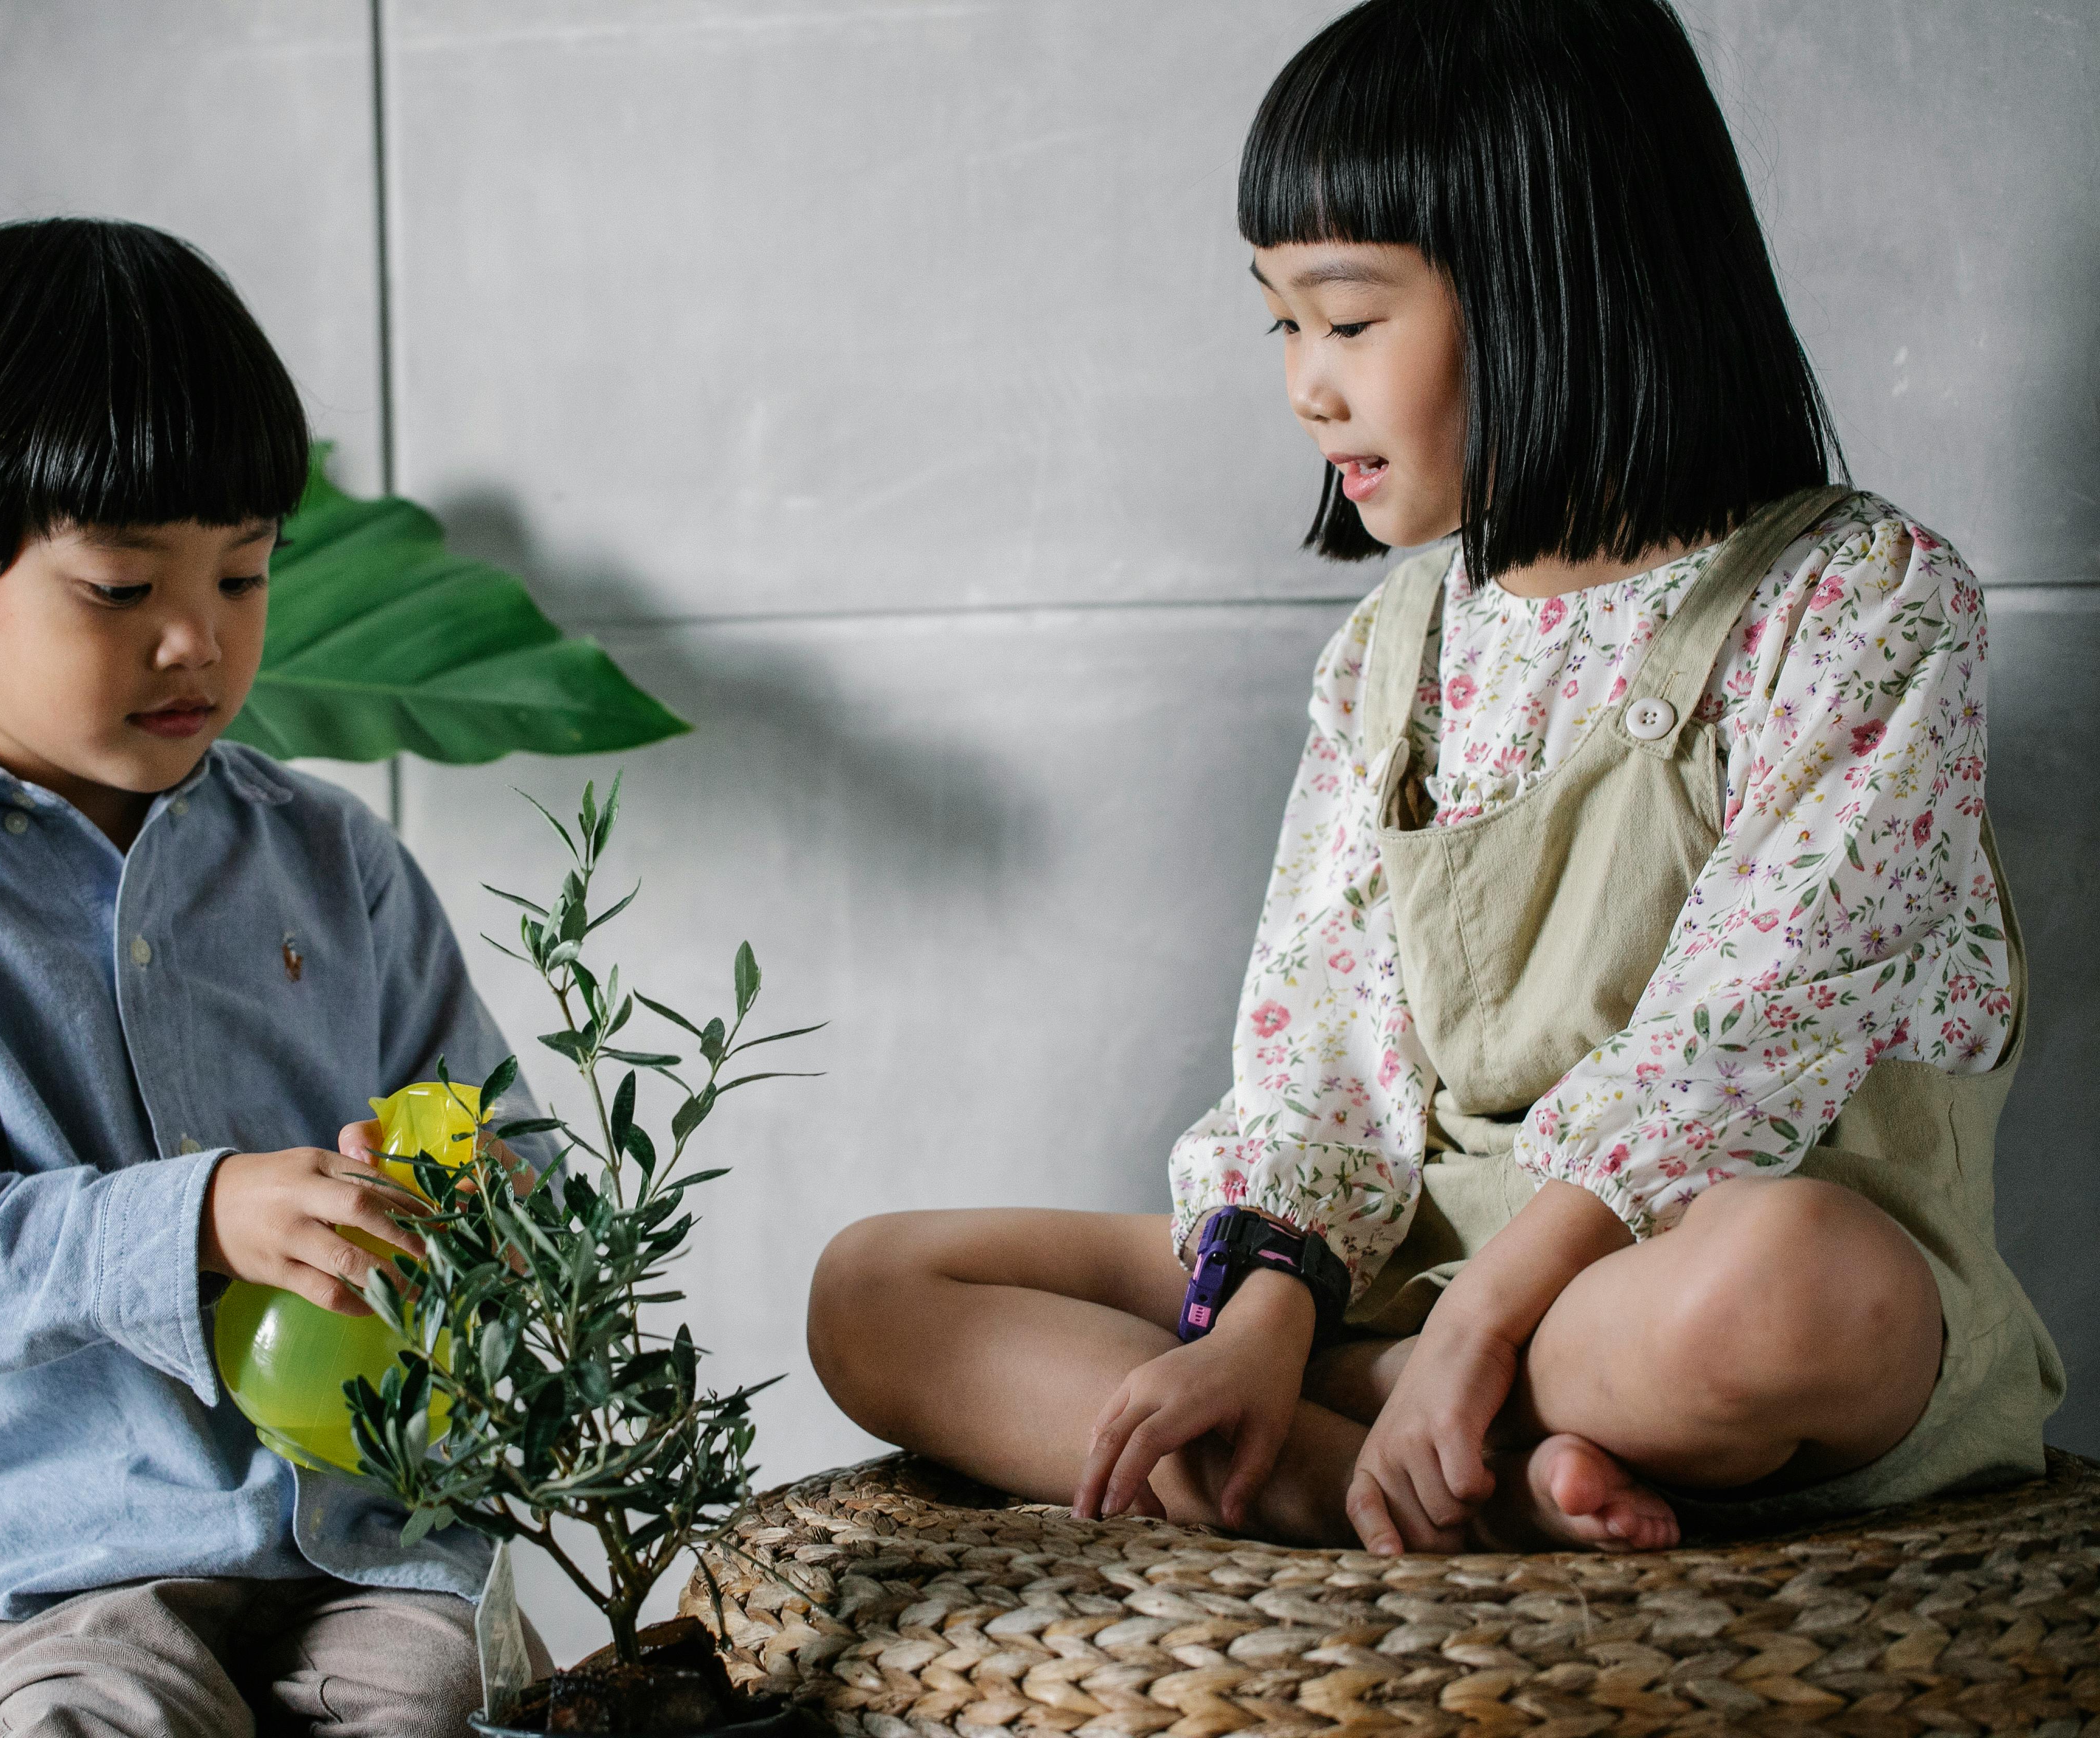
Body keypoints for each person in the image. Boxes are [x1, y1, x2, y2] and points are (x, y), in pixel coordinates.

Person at [809, 0, 2063, 1556]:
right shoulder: (1391, 651)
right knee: (878, 1286)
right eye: (1280, 322)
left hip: (1667, 1267)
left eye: (1346, 319)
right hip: (1406, 1248)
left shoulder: (1862, 601)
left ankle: (1406, 1411)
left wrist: (1471, 1333)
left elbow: (1740, 1037)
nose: (1303, 386)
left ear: (1555, 288)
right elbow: (1320, 1048)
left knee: (1782, 1289)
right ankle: (1393, 1471)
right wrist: (1262, 1317)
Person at [0, 218, 545, 1735]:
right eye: (122, 590)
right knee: (108, 1721)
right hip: (50, 1568)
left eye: (242, 576)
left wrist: (486, 1206)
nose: (199, 638)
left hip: (350, 1545)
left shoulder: (335, 859)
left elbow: (505, 1132)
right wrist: (204, 1218)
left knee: (449, 1701)